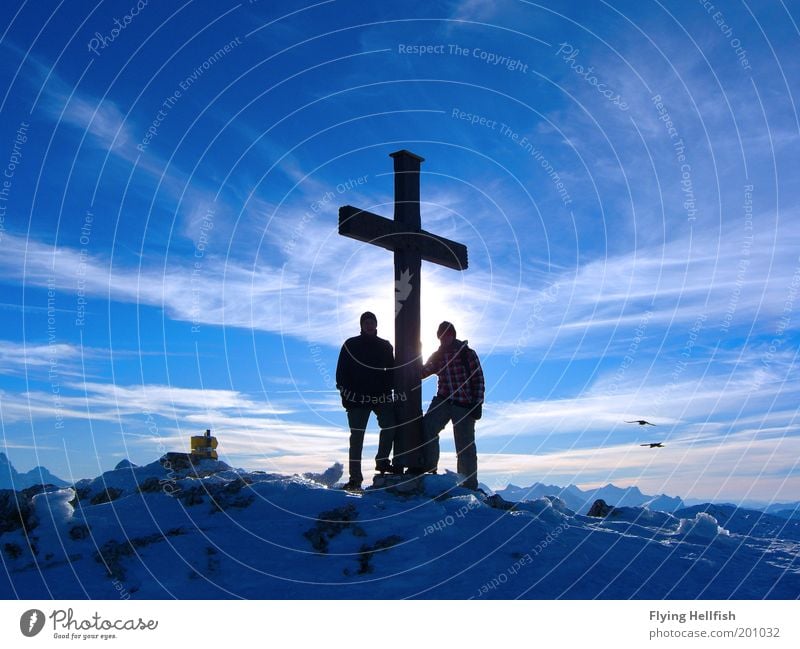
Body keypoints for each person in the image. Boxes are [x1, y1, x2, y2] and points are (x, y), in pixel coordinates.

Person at [336, 311, 398, 490]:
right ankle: (355, 479)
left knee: (390, 425)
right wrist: (346, 395)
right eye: (366, 322)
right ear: (362, 325)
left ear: (376, 325)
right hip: (356, 399)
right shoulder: (350, 344)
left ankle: (382, 461)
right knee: (357, 438)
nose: (369, 325)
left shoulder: (385, 346)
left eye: (372, 322)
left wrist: (389, 392)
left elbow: (392, 371)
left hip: (381, 396)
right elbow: (341, 373)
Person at [420, 321, 485, 490]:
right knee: (427, 428)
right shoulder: (438, 355)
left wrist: (477, 403)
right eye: (440, 336)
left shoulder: (467, 354)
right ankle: (429, 469)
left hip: (464, 404)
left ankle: (468, 485)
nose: (443, 339)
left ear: (452, 335)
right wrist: (414, 356)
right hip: (443, 400)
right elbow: (423, 372)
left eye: (446, 335)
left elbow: (478, 379)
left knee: (465, 445)